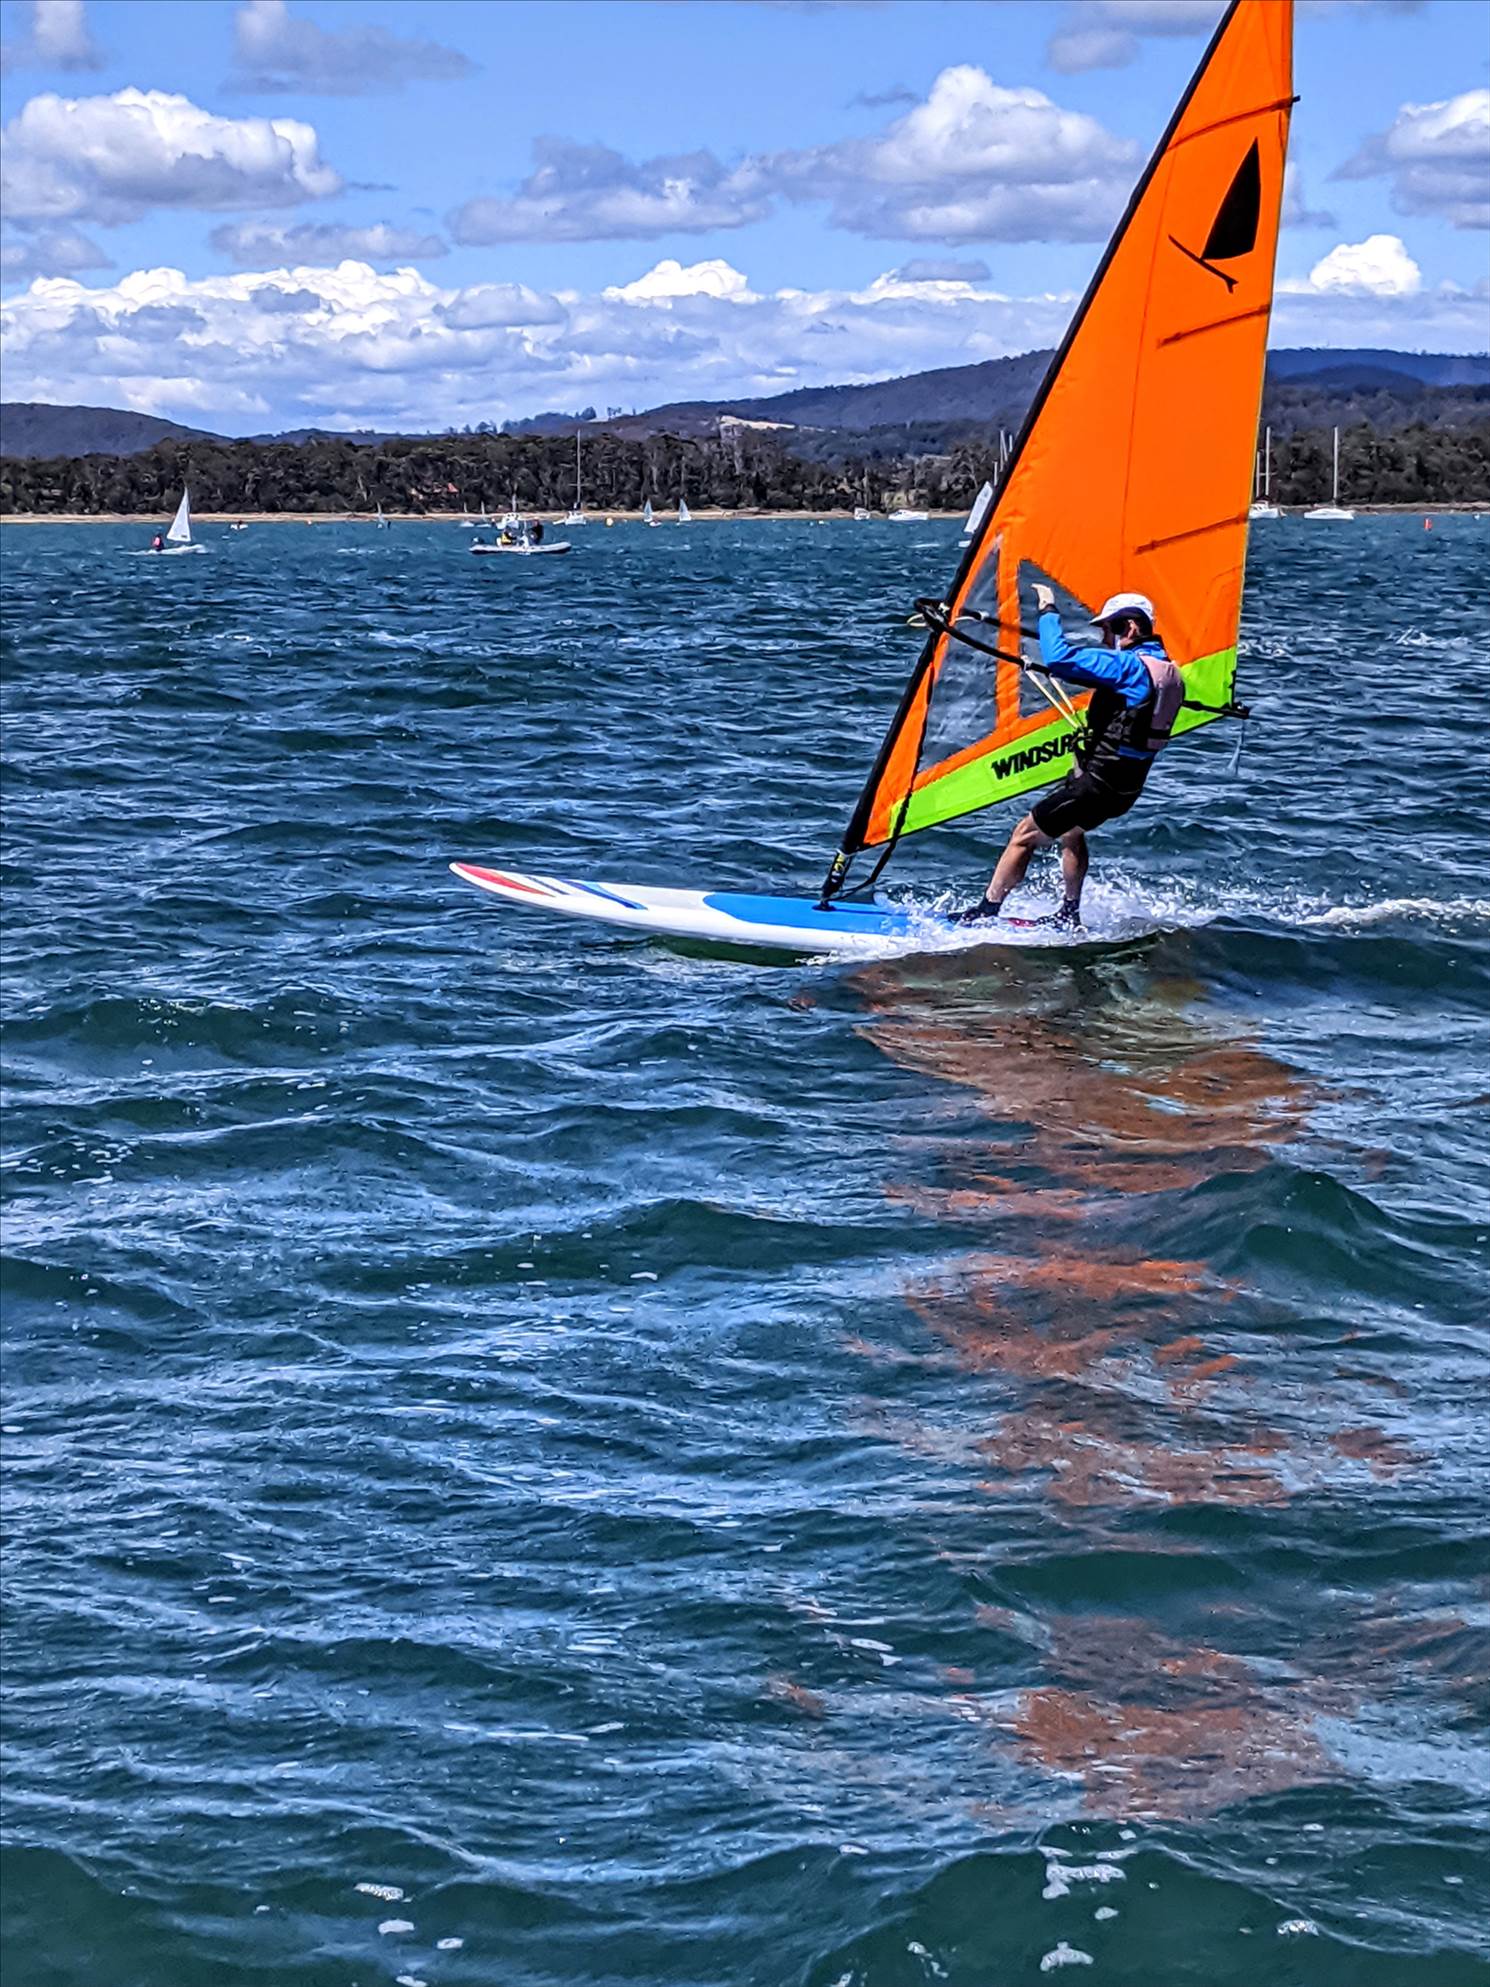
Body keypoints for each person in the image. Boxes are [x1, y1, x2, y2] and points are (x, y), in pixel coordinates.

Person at [953, 585, 1184, 930]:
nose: (1105, 638)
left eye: (1108, 628)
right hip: (1126, 790)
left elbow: (1058, 659)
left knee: (1023, 834)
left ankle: (986, 911)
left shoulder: (1129, 667)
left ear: (1130, 627)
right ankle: (1069, 911)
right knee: (1072, 832)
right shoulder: (1170, 673)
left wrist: (1048, 608)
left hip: (1095, 785)